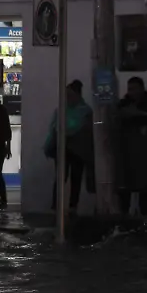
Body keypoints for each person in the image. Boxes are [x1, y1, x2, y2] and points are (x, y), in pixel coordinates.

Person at [116, 77, 147, 217]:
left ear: (141, 89)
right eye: (129, 89)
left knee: (143, 184)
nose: (131, 92)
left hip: (145, 150)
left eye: (134, 88)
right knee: (125, 184)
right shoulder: (123, 104)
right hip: (126, 151)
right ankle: (124, 214)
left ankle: (144, 215)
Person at [45, 80, 94, 212]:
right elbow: (54, 128)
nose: (68, 98)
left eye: (70, 95)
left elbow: (79, 129)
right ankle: (56, 205)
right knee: (61, 178)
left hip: (78, 150)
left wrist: (63, 130)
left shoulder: (85, 111)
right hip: (63, 149)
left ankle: (72, 206)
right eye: (66, 95)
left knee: (75, 178)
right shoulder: (62, 110)